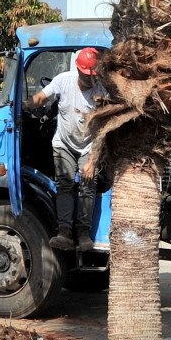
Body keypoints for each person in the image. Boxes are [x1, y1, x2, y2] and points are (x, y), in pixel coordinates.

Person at [26, 46, 106, 251]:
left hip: (89, 144)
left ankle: (83, 233)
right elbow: (42, 98)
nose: (89, 79)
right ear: (78, 70)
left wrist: (92, 161)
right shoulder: (64, 80)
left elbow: (102, 130)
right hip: (64, 144)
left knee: (89, 184)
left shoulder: (101, 91)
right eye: (86, 74)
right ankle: (64, 233)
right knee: (65, 185)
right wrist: (23, 105)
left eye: (92, 75)